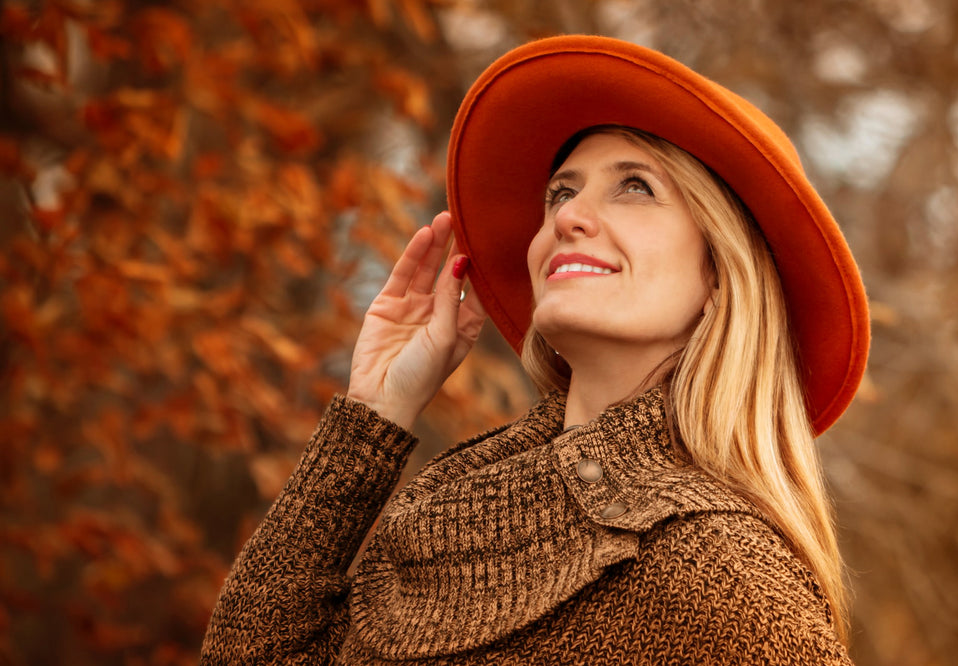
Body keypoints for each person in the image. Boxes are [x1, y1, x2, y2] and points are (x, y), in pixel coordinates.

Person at [202, 35, 870, 664]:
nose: (567, 216)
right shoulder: (444, 508)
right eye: (562, 191)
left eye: (635, 186)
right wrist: (375, 413)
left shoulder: (725, 576)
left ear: (722, 278)